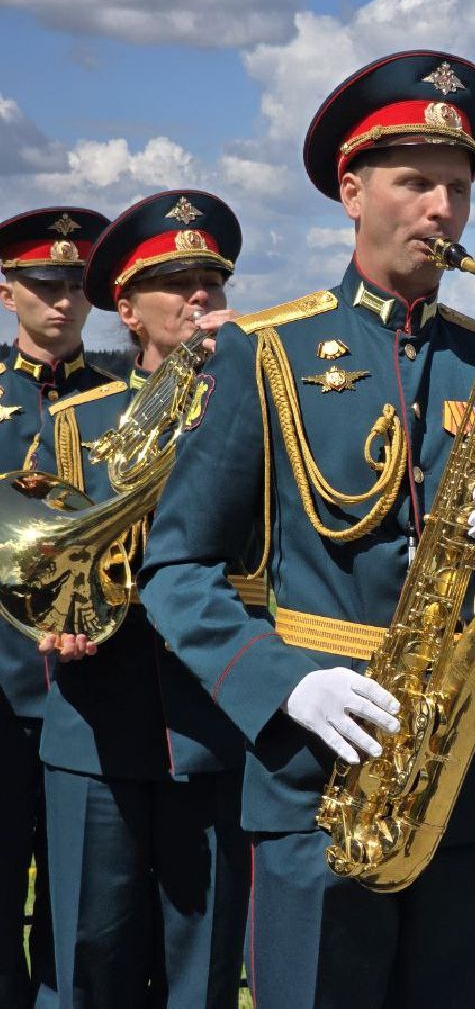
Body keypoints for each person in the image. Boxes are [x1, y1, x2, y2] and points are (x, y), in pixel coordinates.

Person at [136, 50, 475, 1008]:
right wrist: (281, 688)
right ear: (351, 190)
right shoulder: (265, 353)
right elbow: (176, 566)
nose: (442, 210)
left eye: (459, 189)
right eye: (416, 183)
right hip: (322, 772)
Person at [32, 190, 252, 1007]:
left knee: (204, 965)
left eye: (211, 280)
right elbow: (42, 553)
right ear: (124, 307)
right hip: (97, 723)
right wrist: (56, 617)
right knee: (93, 953)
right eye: (174, 281)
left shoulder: (257, 409)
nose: (199, 296)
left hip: (213, 719)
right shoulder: (77, 423)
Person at [0, 206, 110, 1008]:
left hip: (94, 690)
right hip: (1, 686)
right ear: (8, 292)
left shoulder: (119, 401)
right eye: (44, 285)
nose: (63, 301)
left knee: (85, 904)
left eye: (76, 285)